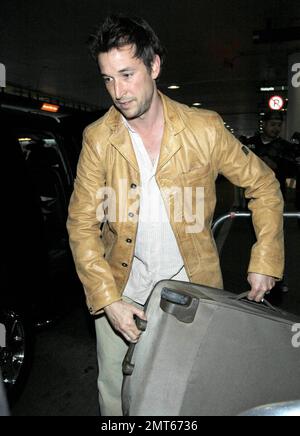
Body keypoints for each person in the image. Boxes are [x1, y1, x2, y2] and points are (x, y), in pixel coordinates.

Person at [67, 15, 284, 416]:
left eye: (127, 74)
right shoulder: (98, 138)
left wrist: (265, 258)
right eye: (108, 79)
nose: (118, 91)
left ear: (154, 66)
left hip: (191, 293)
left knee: (187, 395)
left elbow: (265, 186)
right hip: (120, 289)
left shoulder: (204, 129)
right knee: (116, 397)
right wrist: (107, 299)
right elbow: (81, 224)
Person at [244, 111, 297, 200]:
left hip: (275, 195)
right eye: (272, 124)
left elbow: (292, 171)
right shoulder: (250, 143)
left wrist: (276, 166)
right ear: (264, 124)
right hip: (253, 194)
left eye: (279, 125)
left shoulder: (286, 147)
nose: (276, 129)